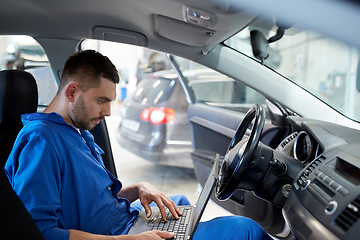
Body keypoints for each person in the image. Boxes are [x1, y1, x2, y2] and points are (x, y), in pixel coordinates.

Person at [4, 50, 272, 240]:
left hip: (123, 221)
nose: (108, 112)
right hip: (117, 235)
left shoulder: (72, 130)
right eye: (101, 101)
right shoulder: (41, 140)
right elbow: (40, 232)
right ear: (72, 92)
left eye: (110, 102)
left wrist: (136, 189)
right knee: (245, 230)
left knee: (177, 203)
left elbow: (87, 200)